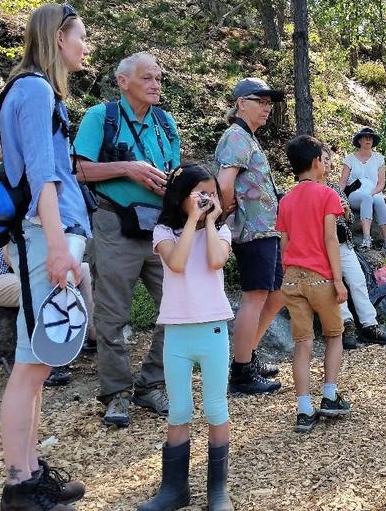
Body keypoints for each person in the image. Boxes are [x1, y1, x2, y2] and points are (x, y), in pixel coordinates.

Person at [0, 2, 90, 511]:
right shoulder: (32, 90)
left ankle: (32, 474)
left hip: (45, 235)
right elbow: (40, 176)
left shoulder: (36, 91)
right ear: (58, 38)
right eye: (80, 36)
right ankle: (18, 484)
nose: (85, 45)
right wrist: (56, 245)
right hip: (40, 236)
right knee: (31, 365)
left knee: (39, 363)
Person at [74, 52, 180, 427]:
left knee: (179, 307)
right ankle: (116, 393)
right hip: (115, 223)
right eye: (148, 78)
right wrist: (128, 168)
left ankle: (151, 383)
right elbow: (79, 170)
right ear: (123, 81)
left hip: (161, 230)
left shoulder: (165, 123)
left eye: (159, 78)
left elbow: (174, 172)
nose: (156, 85)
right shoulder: (100, 118)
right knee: (112, 314)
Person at [140, 164, 233, 511]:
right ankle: (173, 489)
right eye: (199, 193)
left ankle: (218, 491)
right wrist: (192, 220)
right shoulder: (164, 231)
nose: (206, 199)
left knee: (215, 408)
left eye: (211, 193)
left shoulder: (222, 231)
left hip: (212, 329)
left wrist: (209, 221)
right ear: (181, 195)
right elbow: (177, 264)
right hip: (176, 332)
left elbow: (215, 261)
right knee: (178, 410)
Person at [215, 77, 285, 395]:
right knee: (255, 297)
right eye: (261, 101)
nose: (267, 108)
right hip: (253, 231)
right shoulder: (236, 136)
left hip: (267, 230)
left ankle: (248, 355)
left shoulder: (248, 137)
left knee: (276, 294)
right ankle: (241, 372)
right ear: (242, 103)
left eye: (270, 103)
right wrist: (225, 215)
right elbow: (225, 182)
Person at [276, 135, 351, 433]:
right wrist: (337, 279)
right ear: (317, 162)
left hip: (292, 280)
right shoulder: (327, 195)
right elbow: (331, 239)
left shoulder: (286, 199)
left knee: (303, 343)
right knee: (334, 334)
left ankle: (304, 409)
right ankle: (330, 395)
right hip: (322, 278)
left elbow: (284, 242)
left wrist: (290, 272)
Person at [0, 248, 97, 386]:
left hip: (19, 275)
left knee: (82, 269)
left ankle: (94, 336)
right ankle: (47, 359)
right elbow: (11, 258)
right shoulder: (30, 227)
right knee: (43, 287)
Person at [319, 146, 386, 349]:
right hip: (323, 246)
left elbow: (350, 217)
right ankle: (346, 325)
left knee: (358, 280)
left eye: (328, 159)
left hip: (344, 243)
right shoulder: (311, 189)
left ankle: (370, 324)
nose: (326, 163)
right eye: (322, 159)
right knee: (335, 285)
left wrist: (345, 212)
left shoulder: (335, 188)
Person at [340, 127, 386, 255]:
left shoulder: (379, 159)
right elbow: (343, 181)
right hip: (356, 193)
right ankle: (366, 239)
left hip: (374, 191)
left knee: (380, 202)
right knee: (366, 198)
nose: (368, 140)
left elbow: (381, 183)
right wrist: (338, 195)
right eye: (365, 137)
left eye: (370, 137)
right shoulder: (350, 159)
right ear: (359, 140)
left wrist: (372, 193)